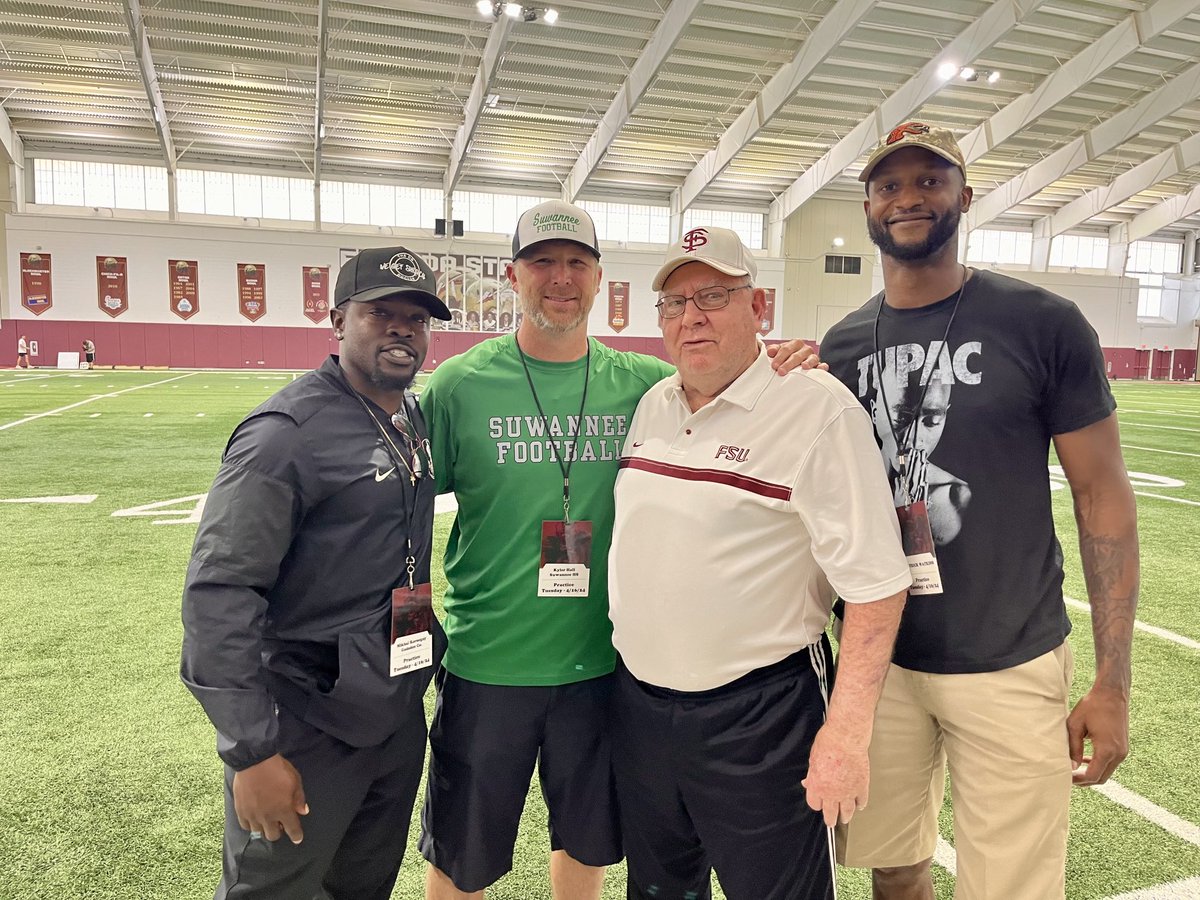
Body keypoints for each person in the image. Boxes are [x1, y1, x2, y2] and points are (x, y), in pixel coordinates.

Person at [418, 201, 818, 900]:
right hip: (487, 665)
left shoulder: (645, 387)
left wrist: (793, 353)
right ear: (514, 277)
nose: (561, 277)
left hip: (603, 669)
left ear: (601, 278)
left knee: (590, 840)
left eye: (577, 262)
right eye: (543, 261)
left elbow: (736, 381)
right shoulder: (458, 387)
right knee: (463, 854)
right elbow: (403, 509)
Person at [819, 122, 1140, 900]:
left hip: (1011, 657)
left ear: (965, 195)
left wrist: (1113, 681)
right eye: (890, 185)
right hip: (882, 660)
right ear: (867, 205)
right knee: (892, 871)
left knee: (1011, 889)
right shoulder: (843, 346)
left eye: (930, 180)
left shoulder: (1042, 322)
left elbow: (1102, 495)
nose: (909, 198)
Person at [607, 227, 912, 900]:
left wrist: (846, 734)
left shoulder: (816, 410)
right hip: (641, 710)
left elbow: (878, 585)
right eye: (675, 302)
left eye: (714, 295)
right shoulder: (653, 404)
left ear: (759, 308)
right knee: (659, 888)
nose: (693, 317)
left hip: (762, 716)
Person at [180, 245, 452, 900]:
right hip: (306, 721)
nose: (401, 330)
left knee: (362, 888)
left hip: (389, 708)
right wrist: (251, 749)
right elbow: (221, 592)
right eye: (380, 312)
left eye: (415, 319)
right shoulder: (286, 434)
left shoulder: (407, 417)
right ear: (337, 320)